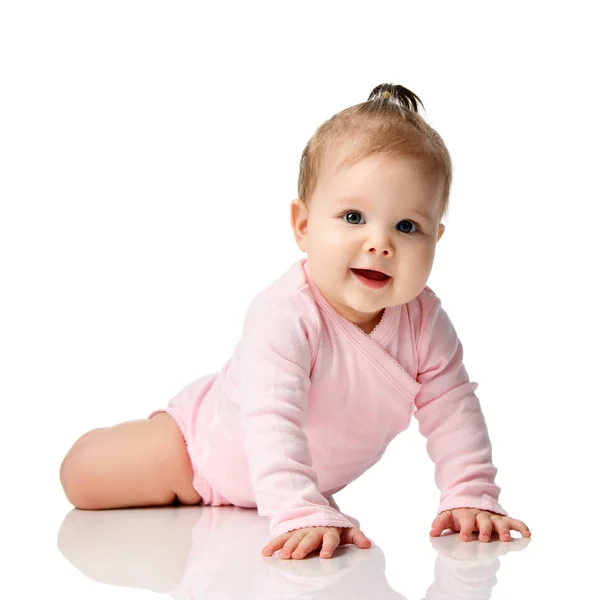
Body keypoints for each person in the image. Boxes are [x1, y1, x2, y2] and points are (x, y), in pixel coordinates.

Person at [59, 82, 532, 561]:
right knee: (82, 475)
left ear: (437, 238)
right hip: (200, 454)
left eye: (407, 227)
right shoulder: (286, 312)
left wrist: (471, 494)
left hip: (292, 481)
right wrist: (300, 509)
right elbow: (271, 417)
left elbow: (452, 409)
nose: (380, 243)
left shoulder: (425, 324)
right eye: (353, 216)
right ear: (303, 226)